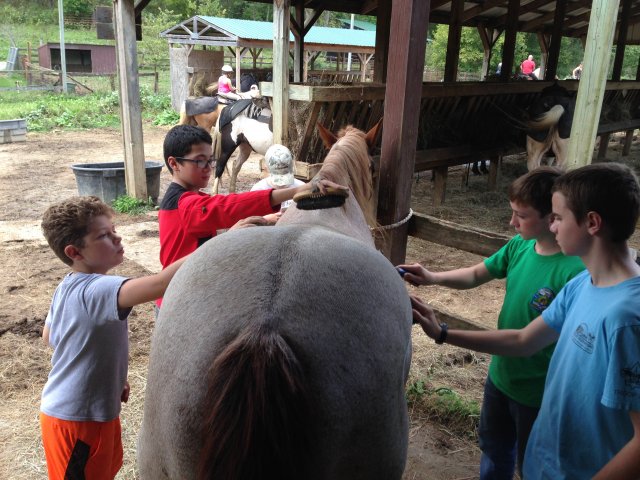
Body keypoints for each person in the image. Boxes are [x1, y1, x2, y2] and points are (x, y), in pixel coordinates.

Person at [411, 163, 640, 479]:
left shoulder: (627, 319)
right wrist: (442, 333)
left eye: (558, 218)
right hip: (547, 461)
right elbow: (523, 340)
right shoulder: (581, 285)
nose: (553, 227)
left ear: (592, 222)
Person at [39, 196, 189, 480]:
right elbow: (159, 283)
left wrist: (109, 376)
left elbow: (50, 336)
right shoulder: (99, 289)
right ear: (75, 252)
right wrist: (223, 241)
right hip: (76, 420)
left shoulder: (67, 286)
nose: (118, 238)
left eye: (114, 229)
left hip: (90, 411)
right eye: (104, 236)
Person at [158, 125, 344, 305]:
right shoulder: (184, 204)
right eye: (199, 161)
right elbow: (226, 206)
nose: (208, 167)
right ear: (174, 163)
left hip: (186, 286)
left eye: (210, 160)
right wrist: (301, 189)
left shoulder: (188, 198)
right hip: (180, 296)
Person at [251, 144, 305, 211]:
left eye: (284, 173)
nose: (282, 184)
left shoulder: (301, 187)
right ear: (266, 168)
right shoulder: (258, 190)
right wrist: (267, 219)